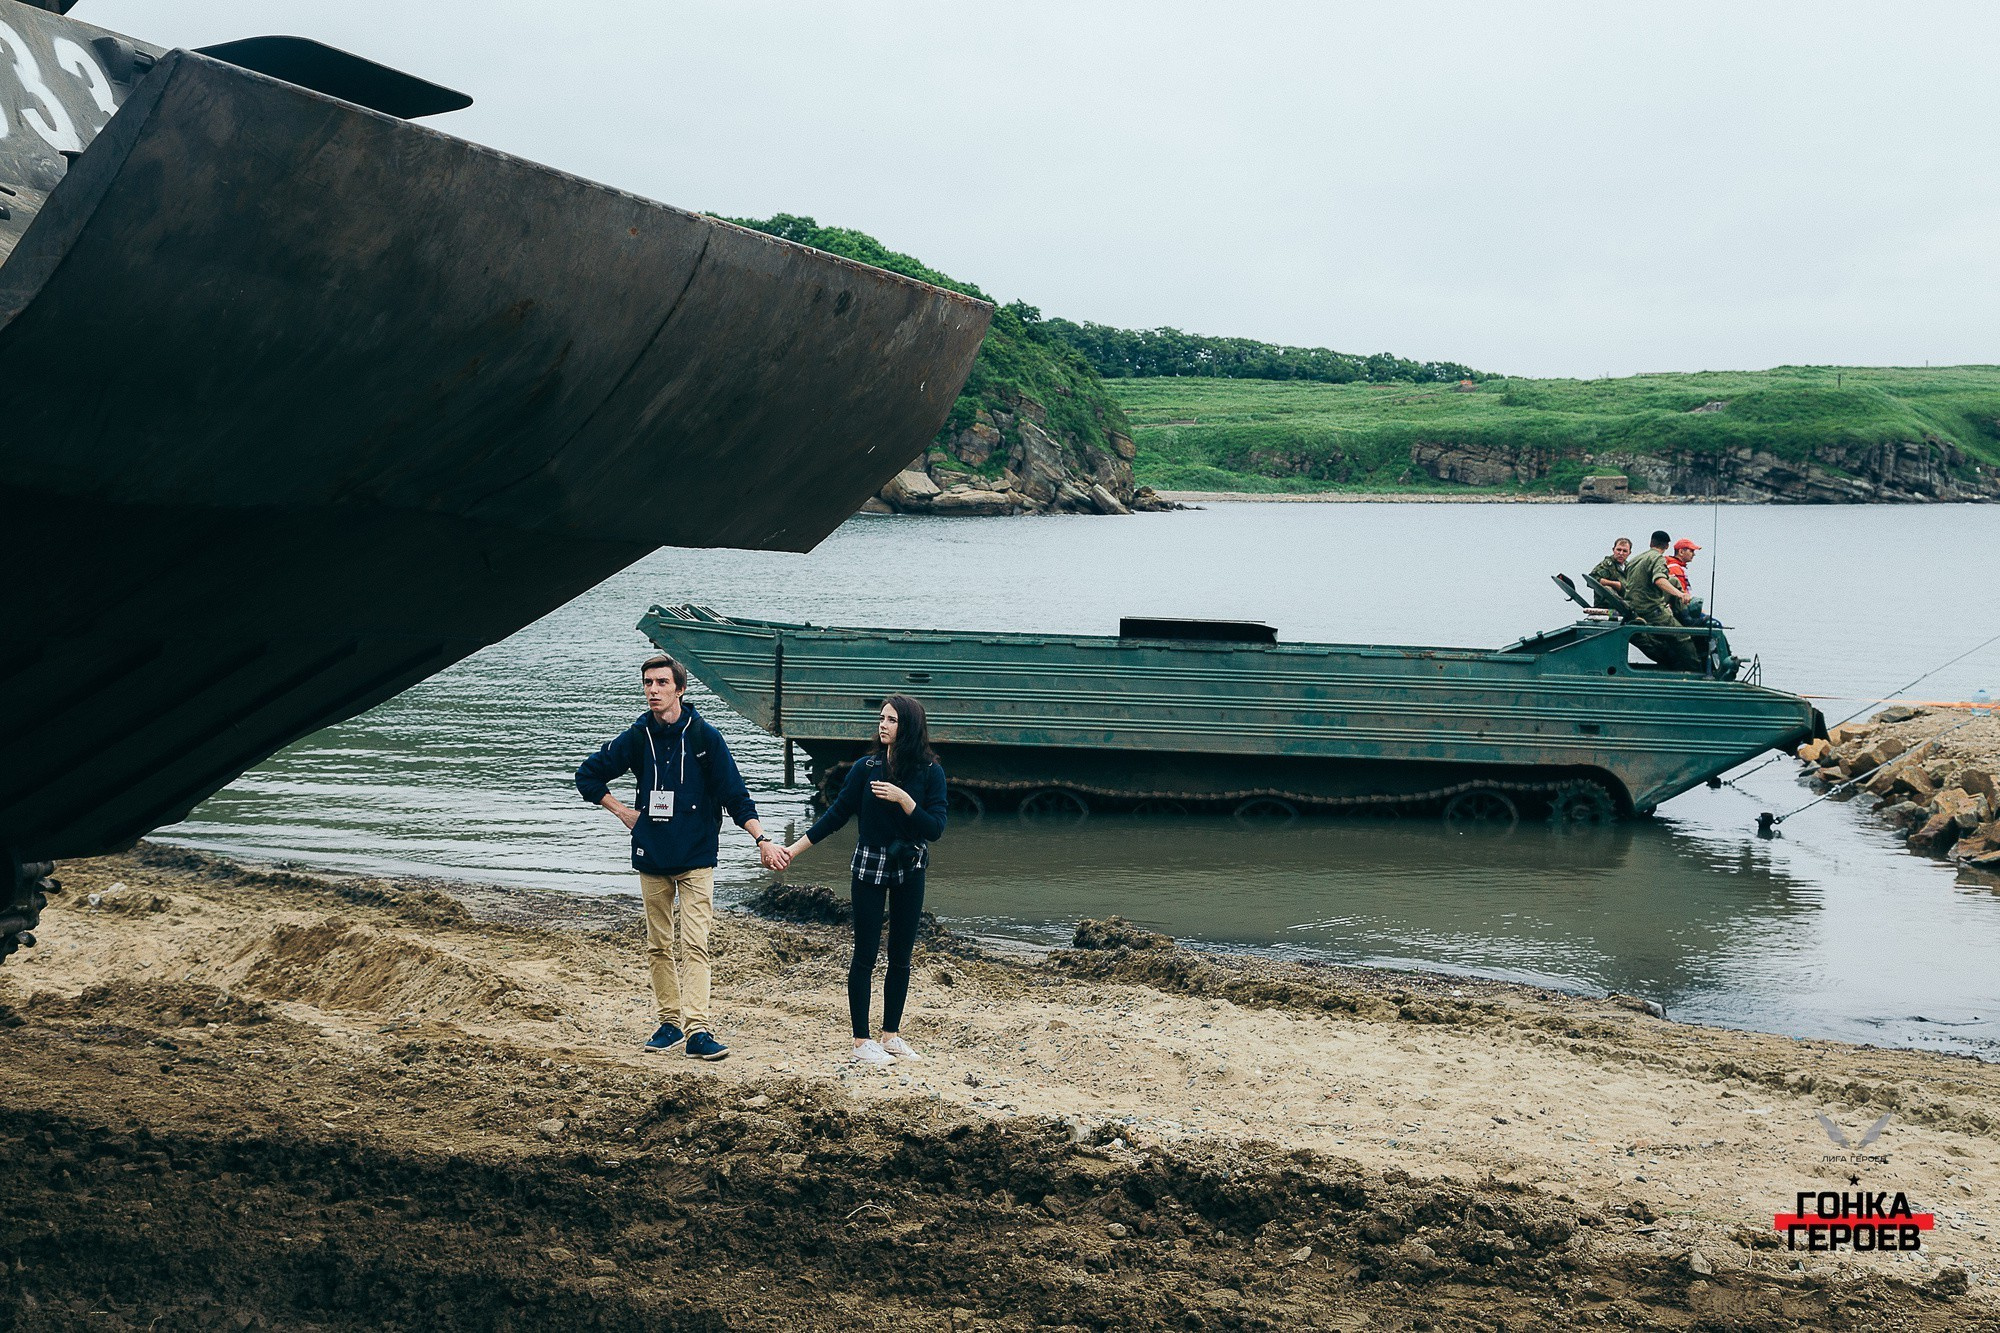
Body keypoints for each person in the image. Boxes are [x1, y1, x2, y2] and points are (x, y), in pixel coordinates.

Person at [575, 653, 789, 1060]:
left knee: (694, 945)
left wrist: (762, 838)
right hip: (652, 854)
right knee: (658, 945)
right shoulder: (638, 736)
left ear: (680, 689)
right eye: (647, 683)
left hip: (696, 856)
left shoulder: (705, 737)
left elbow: (734, 794)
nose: (653, 690)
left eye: (661, 683)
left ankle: (698, 1030)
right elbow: (587, 775)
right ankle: (669, 1022)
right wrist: (622, 812)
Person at [782, 695, 948, 1068]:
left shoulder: (930, 772)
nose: (883, 724)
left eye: (892, 720)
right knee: (865, 954)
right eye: (882, 718)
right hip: (870, 863)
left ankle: (891, 1036)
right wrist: (793, 851)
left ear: (908, 727)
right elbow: (836, 816)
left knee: (901, 956)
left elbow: (935, 828)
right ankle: (861, 1041)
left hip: (911, 864)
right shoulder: (865, 767)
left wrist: (906, 801)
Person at [1623, 530, 1700, 670]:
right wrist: (1680, 595)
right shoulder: (1658, 558)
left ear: (1651, 543)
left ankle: (1684, 616)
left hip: (1633, 605)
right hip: (1650, 608)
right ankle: (1696, 670)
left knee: (1674, 581)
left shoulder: (1636, 559)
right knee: (1683, 637)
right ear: (1666, 546)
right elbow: (1659, 580)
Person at [1588, 537, 1632, 610]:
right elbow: (1591, 580)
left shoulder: (1629, 567)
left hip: (1626, 605)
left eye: (1624, 551)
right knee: (1608, 589)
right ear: (1613, 550)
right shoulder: (1607, 565)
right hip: (1607, 608)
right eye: (1618, 550)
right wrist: (1615, 584)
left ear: (1629, 553)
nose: (1621, 553)